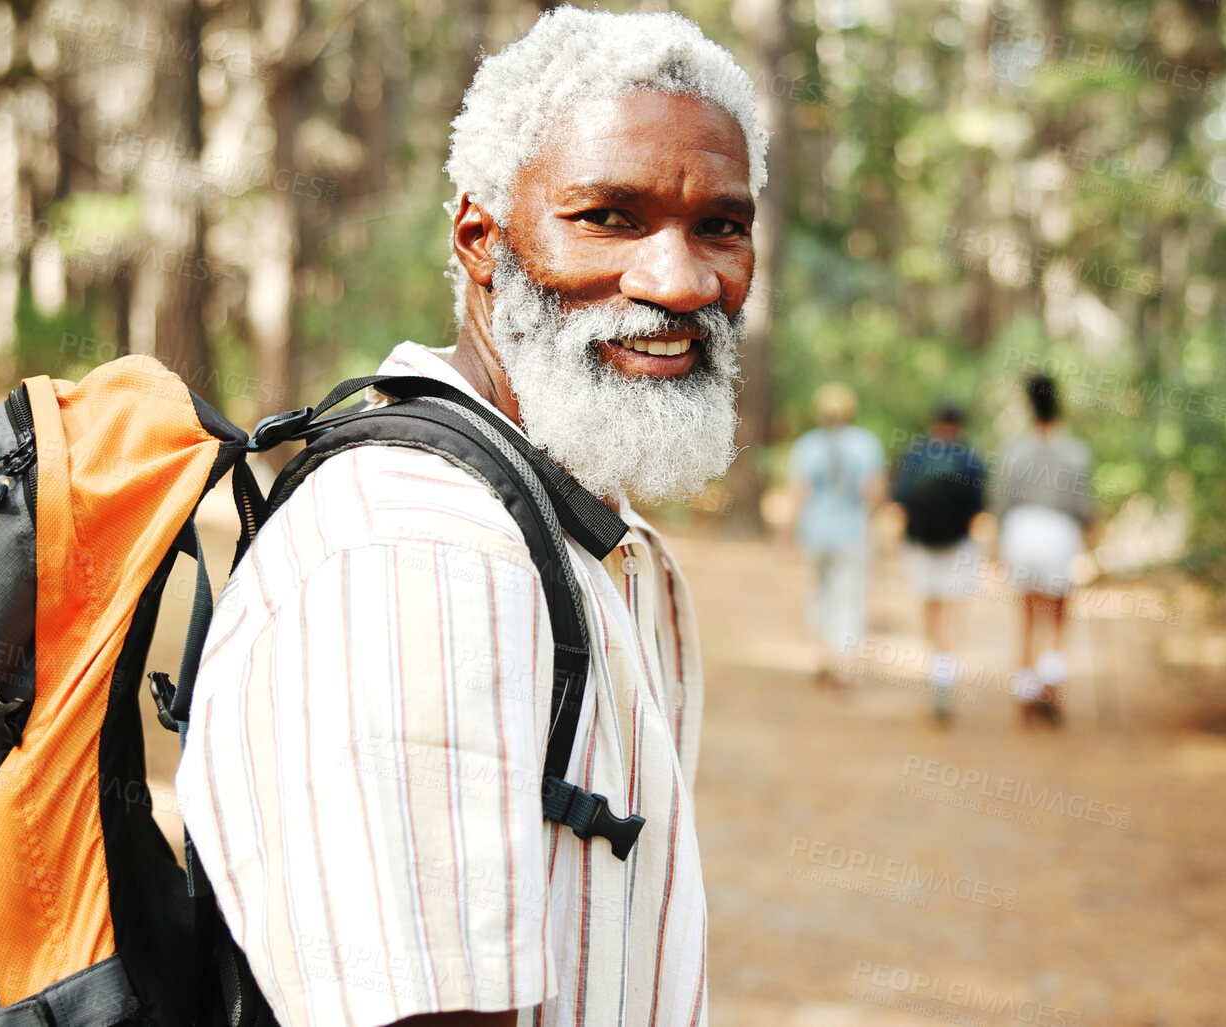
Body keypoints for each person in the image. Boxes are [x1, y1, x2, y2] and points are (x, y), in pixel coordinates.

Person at [174, 10, 768, 1026]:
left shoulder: (560, 513)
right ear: (480, 240)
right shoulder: (423, 545)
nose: (681, 282)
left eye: (720, 224)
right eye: (610, 217)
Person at [992, 374, 1093, 726]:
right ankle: (1050, 688)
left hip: (1021, 531)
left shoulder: (1014, 449)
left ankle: (1025, 696)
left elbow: (1001, 501)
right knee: (1058, 619)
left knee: (1027, 617)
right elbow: (1083, 506)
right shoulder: (1075, 451)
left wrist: (996, 542)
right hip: (1058, 532)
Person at [787, 382, 886, 689]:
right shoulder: (866, 445)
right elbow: (874, 494)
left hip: (816, 532)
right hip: (852, 534)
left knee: (819, 595)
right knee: (849, 598)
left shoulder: (807, 446)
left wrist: (789, 533)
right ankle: (843, 665)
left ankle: (823, 657)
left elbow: (799, 494)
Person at [890, 403, 985, 720]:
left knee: (930, 608)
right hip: (958, 545)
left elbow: (899, 499)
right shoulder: (970, 459)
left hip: (920, 544)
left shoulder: (915, 455)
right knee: (952, 611)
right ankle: (946, 670)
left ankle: (936, 668)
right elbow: (979, 507)